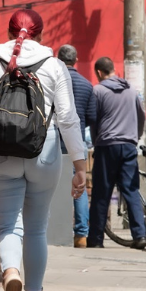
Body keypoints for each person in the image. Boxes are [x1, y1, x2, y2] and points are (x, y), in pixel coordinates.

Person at [0, 9, 87, 291]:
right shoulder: (54, 66)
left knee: (7, 224)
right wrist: (80, 164)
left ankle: (11, 274)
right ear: (42, 35)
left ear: (8, 33)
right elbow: (67, 118)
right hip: (43, 154)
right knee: (36, 229)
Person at [87, 57, 146, 249]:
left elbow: (93, 120)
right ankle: (139, 235)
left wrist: (97, 140)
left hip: (106, 146)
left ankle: (96, 240)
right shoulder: (131, 91)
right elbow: (141, 117)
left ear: (99, 72)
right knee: (131, 190)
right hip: (129, 146)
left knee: (101, 193)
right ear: (114, 69)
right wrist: (135, 137)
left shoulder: (97, 91)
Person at [57, 44, 96, 248]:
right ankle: (81, 235)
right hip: (76, 140)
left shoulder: (53, 80)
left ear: (58, 60)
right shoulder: (87, 85)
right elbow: (91, 117)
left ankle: (56, 232)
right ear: (76, 61)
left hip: (54, 138)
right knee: (79, 185)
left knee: (52, 184)